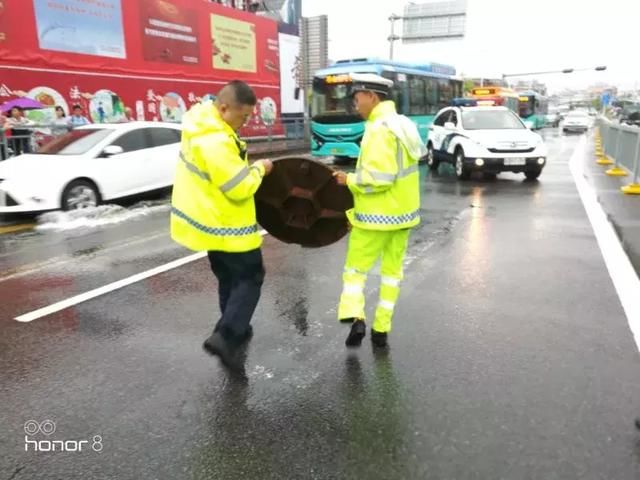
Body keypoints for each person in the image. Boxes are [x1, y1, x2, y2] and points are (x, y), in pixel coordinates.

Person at [170, 80, 273, 371]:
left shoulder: (199, 126)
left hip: (209, 224)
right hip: (229, 226)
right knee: (251, 277)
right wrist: (260, 169)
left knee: (229, 280)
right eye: (243, 116)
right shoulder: (215, 140)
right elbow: (238, 187)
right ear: (224, 107)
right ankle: (226, 336)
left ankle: (235, 327)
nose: (245, 122)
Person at [333, 73, 424, 348]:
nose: (355, 105)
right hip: (403, 217)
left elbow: (379, 179)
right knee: (391, 274)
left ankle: (356, 317)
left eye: (357, 99)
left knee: (354, 273)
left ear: (372, 96)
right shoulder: (403, 124)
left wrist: (348, 179)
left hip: (374, 218)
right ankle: (381, 330)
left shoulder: (378, 129)